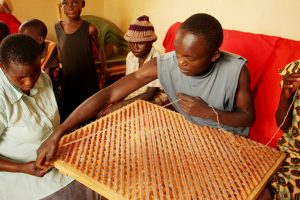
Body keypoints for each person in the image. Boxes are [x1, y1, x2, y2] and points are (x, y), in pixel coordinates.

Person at [36, 13, 254, 170]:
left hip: (228, 141)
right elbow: (109, 94)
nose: (180, 63)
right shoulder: (164, 64)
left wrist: (207, 112)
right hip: (190, 137)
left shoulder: (237, 69)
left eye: (189, 57)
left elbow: (248, 118)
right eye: (177, 53)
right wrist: (59, 132)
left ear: (214, 56)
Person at [0, 34, 103, 199]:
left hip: (63, 168)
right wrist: (22, 168)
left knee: (101, 189)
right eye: (20, 78)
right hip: (29, 183)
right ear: (3, 68)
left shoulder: (44, 80)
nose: (29, 82)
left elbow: (53, 124)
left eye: (33, 73)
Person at [99, 15, 167, 116]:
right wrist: (115, 101)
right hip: (134, 94)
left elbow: (149, 95)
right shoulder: (130, 56)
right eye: (131, 42)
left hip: (153, 98)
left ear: (151, 41)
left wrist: (121, 105)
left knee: (124, 115)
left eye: (140, 43)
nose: (135, 47)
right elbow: (128, 84)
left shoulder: (158, 60)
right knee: (103, 112)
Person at [56, 0, 107, 122]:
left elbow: (99, 48)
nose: (70, 7)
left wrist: (104, 68)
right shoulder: (58, 27)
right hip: (69, 80)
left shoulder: (90, 28)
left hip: (87, 81)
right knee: (71, 115)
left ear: (83, 4)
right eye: (65, 3)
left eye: (75, 2)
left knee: (90, 114)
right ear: (61, 6)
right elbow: (60, 48)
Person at [257, 60, 300, 200]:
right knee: (254, 188)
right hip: (289, 155)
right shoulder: (296, 69)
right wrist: (285, 96)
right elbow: (282, 125)